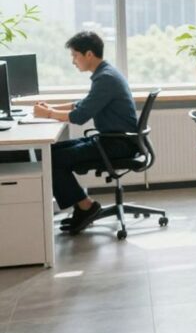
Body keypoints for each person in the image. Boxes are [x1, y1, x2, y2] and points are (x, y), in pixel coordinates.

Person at [33, 32, 138, 234]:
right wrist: (51, 108)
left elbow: (80, 115)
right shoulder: (105, 74)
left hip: (117, 144)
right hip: (111, 139)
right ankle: (83, 206)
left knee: (51, 159)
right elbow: (82, 104)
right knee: (50, 151)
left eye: (75, 56)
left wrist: (47, 114)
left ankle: (85, 206)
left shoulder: (105, 78)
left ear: (89, 54)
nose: (73, 61)